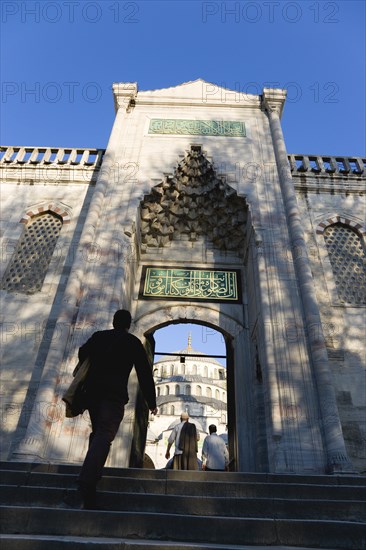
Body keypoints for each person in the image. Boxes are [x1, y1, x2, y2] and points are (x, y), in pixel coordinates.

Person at [77, 309, 157, 509]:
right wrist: (152, 402)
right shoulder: (132, 342)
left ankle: (91, 480)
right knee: (104, 435)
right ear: (128, 324)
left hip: (93, 394)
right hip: (113, 396)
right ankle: (87, 480)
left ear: (113, 322)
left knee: (98, 434)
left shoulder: (98, 337)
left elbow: (82, 352)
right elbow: (144, 374)